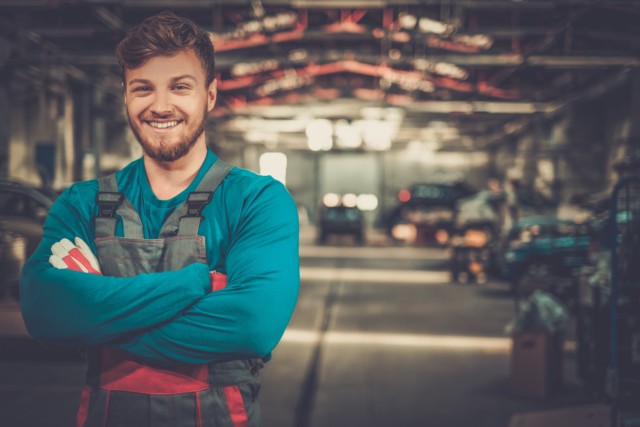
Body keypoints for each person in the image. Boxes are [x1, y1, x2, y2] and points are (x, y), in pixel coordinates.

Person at [19, 11, 299, 427]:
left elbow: (252, 325)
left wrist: (96, 316)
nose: (160, 105)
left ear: (210, 95)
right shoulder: (82, 204)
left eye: (180, 87)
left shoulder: (256, 201)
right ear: (125, 96)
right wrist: (192, 285)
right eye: (143, 88)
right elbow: (45, 313)